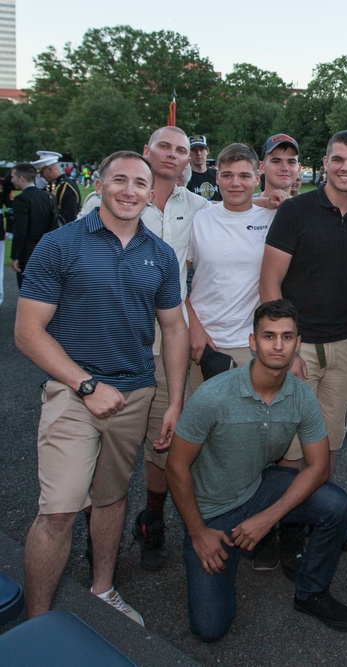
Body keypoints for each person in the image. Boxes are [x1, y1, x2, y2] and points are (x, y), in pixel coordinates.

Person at [14, 150, 189, 624]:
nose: (129, 190)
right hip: (74, 396)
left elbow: (174, 329)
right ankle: (37, 623)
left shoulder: (160, 254)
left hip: (135, 396)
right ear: (99, 185)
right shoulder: (60, 245)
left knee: (111, 499)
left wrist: (173, 400)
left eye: (139, 183)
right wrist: (86, 384)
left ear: (151, 193)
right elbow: (28, 332)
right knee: (59, 512)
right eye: (119, 180)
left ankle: (103, 589)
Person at [166, 299, 347, 641]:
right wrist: (198, 533)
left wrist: (268, 518)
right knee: (210, 629)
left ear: (298, 344)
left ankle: (311, 592)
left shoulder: (300, 396)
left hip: (258, 490)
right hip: (211, 512)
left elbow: (318, 468)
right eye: (269, 336)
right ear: (253, 342)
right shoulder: (213, 395)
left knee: (336, 505)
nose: (278, 345)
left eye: (287, 337)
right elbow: (176, 468)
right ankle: (216, 548)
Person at [80, 126, 213, 571]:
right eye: (165, 147)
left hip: (165, 345)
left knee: (162, 442)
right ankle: (94, 531)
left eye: (182, 150)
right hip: (104, 345)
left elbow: (239, 211)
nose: (174, 156)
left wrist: (272, 200)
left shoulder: (197, 208)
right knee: (95, 446)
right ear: (146, 151)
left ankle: (151, 521)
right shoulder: (99, 206)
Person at [260, 130, 347, 564]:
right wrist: (285, 349)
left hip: (344, 344)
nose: (346, 167)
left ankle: (321, 518)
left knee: (329, 445)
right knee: (293, 449)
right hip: (301, 346)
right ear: (324, 162)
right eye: (338, 159)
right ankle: (289, 532)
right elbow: (270, 284)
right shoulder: (295, 211)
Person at [186, 143, 274, 392]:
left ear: (257, 178)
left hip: (252, 343)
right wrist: (194, 328)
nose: (236, 183)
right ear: (217, 178)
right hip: (205, 342)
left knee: (251, 427)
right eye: (227, 175)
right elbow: (176, 279)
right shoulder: (200, 219)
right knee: (201, 425)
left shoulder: (272, 219)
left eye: (244, 176)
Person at [9, 163, 58, 288]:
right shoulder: (48, 196)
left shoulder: (22, 199)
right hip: (47, 249)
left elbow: (20, 230)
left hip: (28, 251)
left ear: (22, 178)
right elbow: (54, 224)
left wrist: (16, 256)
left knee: (27, 289)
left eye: (13, 177)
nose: (11, 180)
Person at [32, 150, 81, 223]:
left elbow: (68, 217)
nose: (41, 176)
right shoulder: (54, 184)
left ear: (50, 169)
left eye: (42, 172)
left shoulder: (66, 186)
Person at [255, 134, 301, 209]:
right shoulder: (242, 208)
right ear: (262, 167)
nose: (285, 168)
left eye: (291, 162)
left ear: (299, 168)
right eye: (276, 161)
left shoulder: (306, 209)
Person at [186, 135, 222, 201]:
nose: (198, 153)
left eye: (202, 149)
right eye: (194, 150)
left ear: (207, 151)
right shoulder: (185, 178)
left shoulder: (217, 175)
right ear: (188, 153)